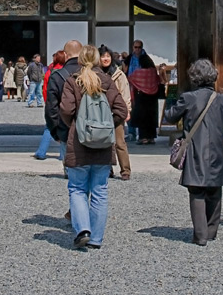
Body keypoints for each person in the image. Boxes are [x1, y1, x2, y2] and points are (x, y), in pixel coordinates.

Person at [58, 44, 128, 249]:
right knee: (100, 190)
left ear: (79, 60)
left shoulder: (73, 81)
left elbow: (66, 109)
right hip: (103, 145)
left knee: (77, 188)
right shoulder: (107, 81)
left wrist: (75, 125)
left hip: (79, 142)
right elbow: (122, 110)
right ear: (98, 60)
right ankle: (96, 239)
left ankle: (83, 230)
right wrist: (107, 126)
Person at [163, 59, 223, 245]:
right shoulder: (221, 98)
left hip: (196, 148)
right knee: (214, 189)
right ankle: (211, 230)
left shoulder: (188, 98)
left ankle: (200, 234)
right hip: (218, 149)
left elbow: (170, 117)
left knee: (197, 191)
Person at [43, 42, 83, 164]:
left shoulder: (57, 76)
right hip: (90, 127)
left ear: (65, 55)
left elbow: (51, 108)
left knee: (71, 169)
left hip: (66, 127)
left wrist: (55, 131)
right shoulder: (93, 74)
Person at [100, 45, 131, 180]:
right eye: (103, 56)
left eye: (107, 56)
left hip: (117, 111)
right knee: (105, 142)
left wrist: (127, 110)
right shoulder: (96, 73)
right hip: (101, 112)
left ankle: (125, 170)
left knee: (120, 142)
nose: (105, 59)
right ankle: (108, 168)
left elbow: (125, 93)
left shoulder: (118, 74)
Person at [128, 53, 163, 144]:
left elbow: (131, 78)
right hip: (152, 97)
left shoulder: (139, 72)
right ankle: (151, 137)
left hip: (141, 97)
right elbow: (158, 80)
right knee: (151, 117)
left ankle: (143, 138)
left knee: (142, 118)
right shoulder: (153, 72)